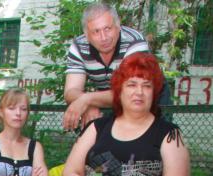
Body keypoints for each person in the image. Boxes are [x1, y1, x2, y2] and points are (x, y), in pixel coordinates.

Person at [62, 3, 151, 131]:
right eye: (96, 31)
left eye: (108, 28)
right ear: (86, 35)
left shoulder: (134, 42)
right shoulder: (78, 47)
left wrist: (87, 100)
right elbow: (70, 92)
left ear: (118, 26)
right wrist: (89, 104)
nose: (104, 37)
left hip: (148, 101)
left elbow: (131, 93)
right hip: (105, 99)